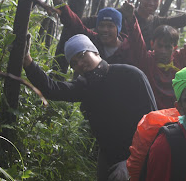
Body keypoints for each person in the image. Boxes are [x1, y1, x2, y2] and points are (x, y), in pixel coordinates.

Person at [23, 34, 157, 181]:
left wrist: (132, 162)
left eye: (81, 55)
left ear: (95, 51)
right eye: (73, 63)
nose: (79, 63)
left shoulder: (130, 74)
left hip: (139, 157)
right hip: (109, 158)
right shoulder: (85, 86)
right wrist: (28, 61)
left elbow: (152, 122)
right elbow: (52, 89)